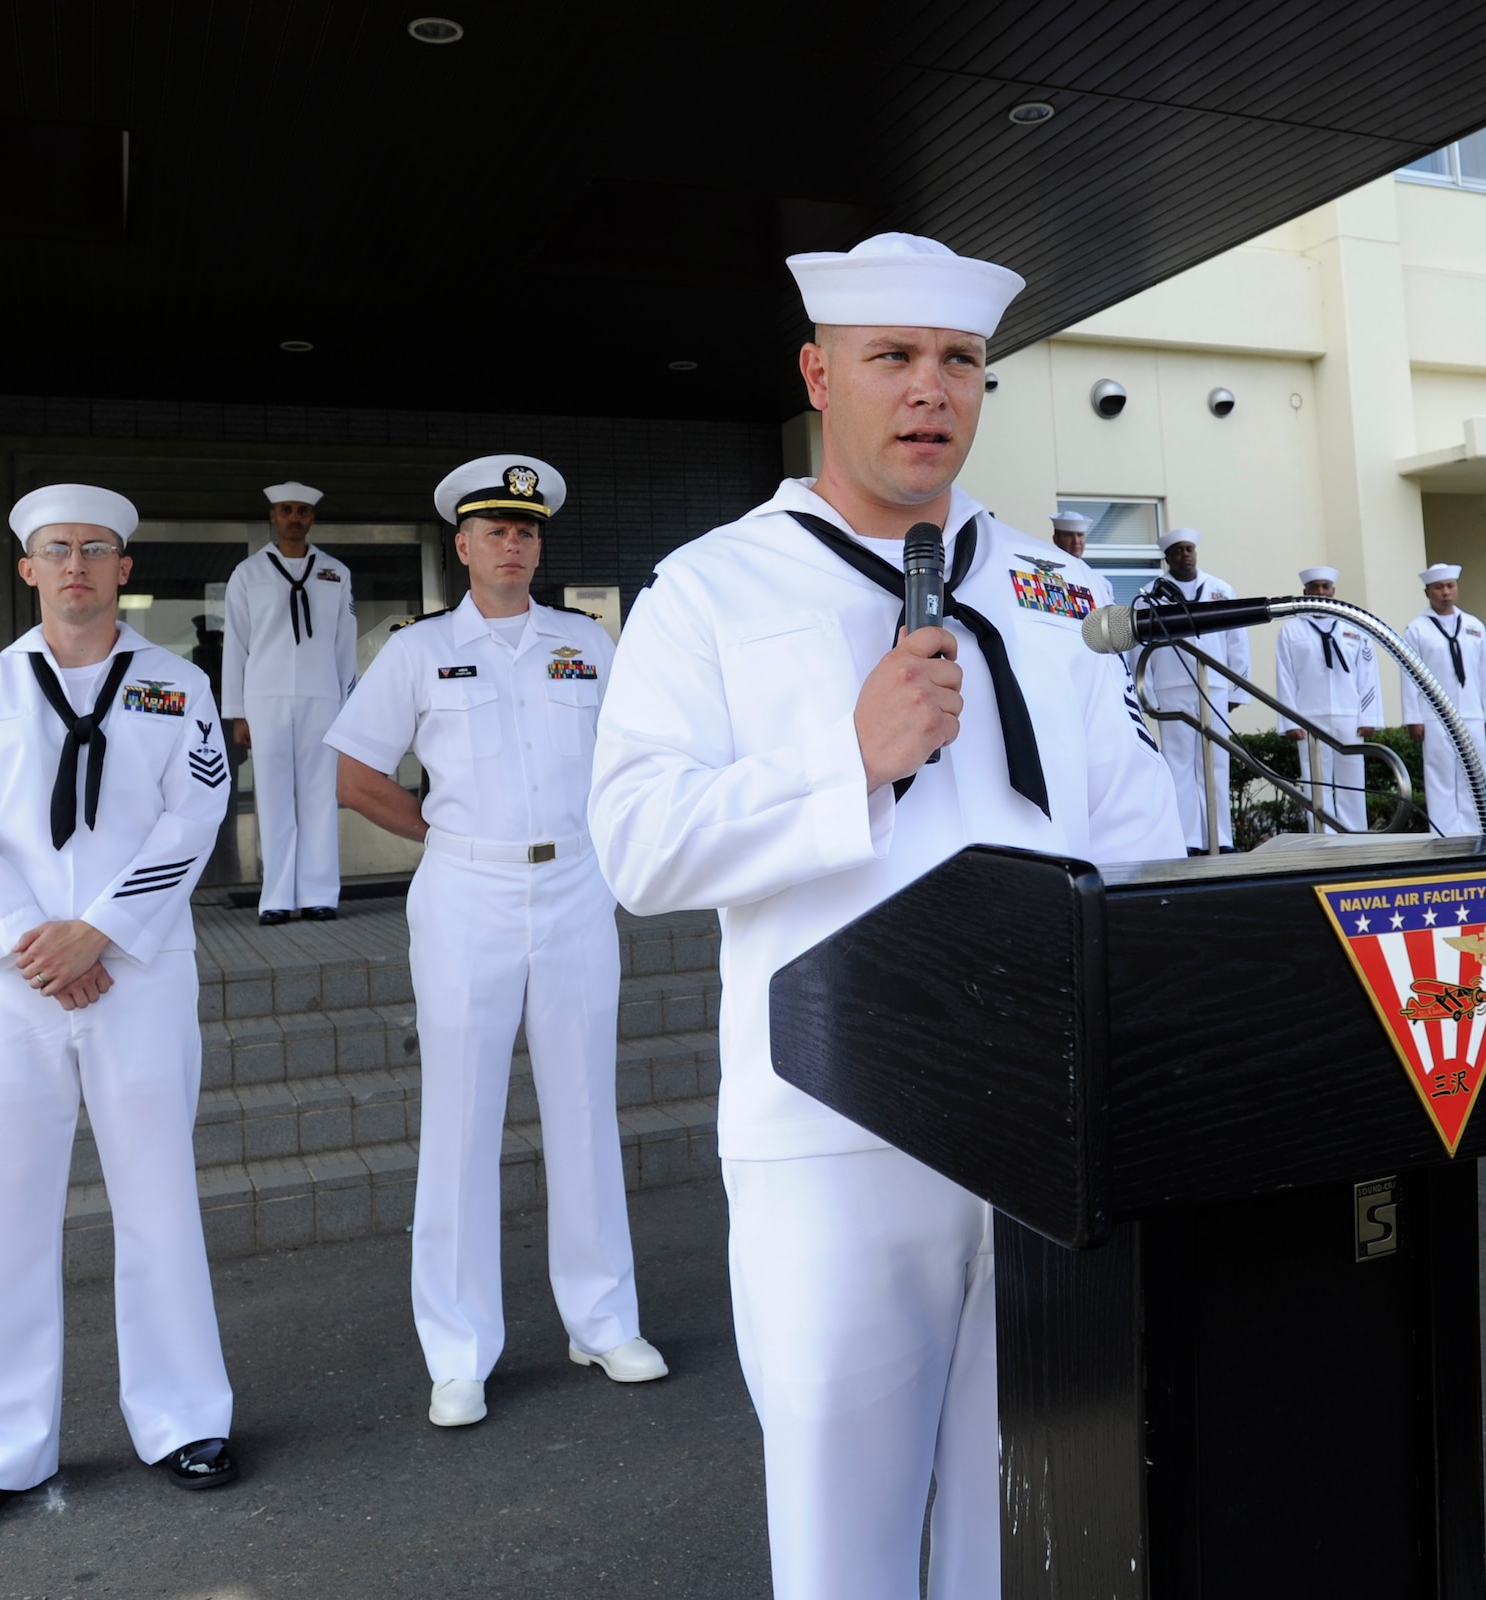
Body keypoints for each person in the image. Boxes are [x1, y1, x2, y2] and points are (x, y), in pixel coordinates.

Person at [588, 231, 1181, 1600]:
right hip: (836, 1125)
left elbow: (1138, 830)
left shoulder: (1052, 586)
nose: (931, 391)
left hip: (1048, 1123)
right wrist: (843, 760)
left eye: (960, 362)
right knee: (845, 1542)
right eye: (894, 359)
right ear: (818, 375)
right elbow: (637, 844)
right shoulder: (713, 590)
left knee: (1027, 1514)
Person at [0, 485, 238, 1546]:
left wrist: (97, 930)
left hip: (136, 975)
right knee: (1, 1214)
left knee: (158, 1198)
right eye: (58, 551)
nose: (78, 566)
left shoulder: (176, 686)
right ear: (29, 570)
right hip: (15, 989)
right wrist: (31, 941)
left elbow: (195, 815)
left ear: (125, 570)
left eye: (98, 550)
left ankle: (185, 1416)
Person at [326, 454, 664, 1431]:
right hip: (465, 888)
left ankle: (601, 1319)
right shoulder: (419, 650)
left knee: (584, 1109)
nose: (512, 545)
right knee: (462, 1120)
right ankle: (458, 1350)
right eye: (495, 532)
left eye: (527, 531)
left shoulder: (586, 644)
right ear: (463, 546)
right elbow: (352, 771)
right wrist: (440, 831)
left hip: (573, 882)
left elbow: (638, 753)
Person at [222, 482, 358, 925]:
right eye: (286, 510)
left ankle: (321, 893)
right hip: (264, 697)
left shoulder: (335, 572)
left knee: (320, 797)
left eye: (302, 510)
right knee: (273, 797)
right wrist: (237, 710)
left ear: (312, 518)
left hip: (323, 695)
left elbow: (345, 643)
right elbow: (235, 646)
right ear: (274, 517)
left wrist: (349, 705)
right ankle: (276, 896)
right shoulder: (248, 574)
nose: (294, 517)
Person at [1133, 527, 1250, 852]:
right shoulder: (1151, 594)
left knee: (1217, 763)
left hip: (1214, 686)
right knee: (1180, 764)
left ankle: (1221, 839)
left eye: (1190, 549)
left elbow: (1237, 639)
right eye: (1179, 550)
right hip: (1172, 688)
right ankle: (1188, 840)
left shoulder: (1221, 589)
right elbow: (1139, 645)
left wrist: (1237, 690)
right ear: (1167, 557)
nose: (1185, 554)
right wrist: (1148, 693)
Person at [1273, 567, 1381, 831]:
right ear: (1305, 592)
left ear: (1333, 591)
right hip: (1309, 717)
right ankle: (1325, 837)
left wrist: (1369, 716)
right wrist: (1290, 720)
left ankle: (1356, 835)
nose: (1320, 592)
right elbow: (1285, 677)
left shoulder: (1354, 626)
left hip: (1349, 716)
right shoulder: (1291, 631)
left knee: (1353, 779)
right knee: (1316, 782)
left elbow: (1368, 675)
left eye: (1325, 587)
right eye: (1315, 587)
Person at [1401, 563, 1486, 836]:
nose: (1445, 592)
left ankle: (1476, 832)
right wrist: (1413, 717)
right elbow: (1409, 675)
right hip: (1435, 715)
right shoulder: (1418, 629)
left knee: (1475, 775)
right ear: (1427, 592)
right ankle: (1445, 836)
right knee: (1441, 777)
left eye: (1450, 586)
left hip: (1471, 712)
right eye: (1438, 587)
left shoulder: (1473, 625)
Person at [1049, 509, 1113, 601]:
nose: (1076, 541)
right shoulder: (1049, 573)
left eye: (1080, 535)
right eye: (1068, 536)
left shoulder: (1100, 581)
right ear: (1056, 539)